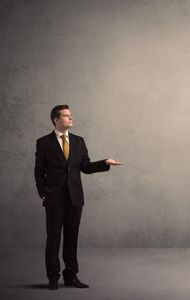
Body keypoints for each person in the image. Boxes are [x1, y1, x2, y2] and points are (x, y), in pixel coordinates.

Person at [34, 104, 123, 290]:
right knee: (54, 238)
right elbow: (38, 172)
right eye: (66, 115)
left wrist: (105, 162)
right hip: (54, 199)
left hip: (75, 198)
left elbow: (86, 167)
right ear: (56, 120)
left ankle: (71, 276)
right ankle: (53, 277)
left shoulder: (79, 141)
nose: (70, 118)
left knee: (72, 238)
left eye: (70, 115)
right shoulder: (43, 142)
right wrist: (44, 193)